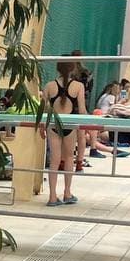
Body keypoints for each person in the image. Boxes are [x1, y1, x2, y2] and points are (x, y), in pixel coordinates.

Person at [39, 59, 85, 207]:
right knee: (69, 158)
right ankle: (67, 193)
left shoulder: (49, 86)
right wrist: (87, 126)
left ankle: (52, 196)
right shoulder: (78, 86)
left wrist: (41, 127)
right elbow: (82, 110)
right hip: (70, 124)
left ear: (57, 68)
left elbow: (42, 110)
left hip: (53, 124)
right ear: (73, 69)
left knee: (54, 160)